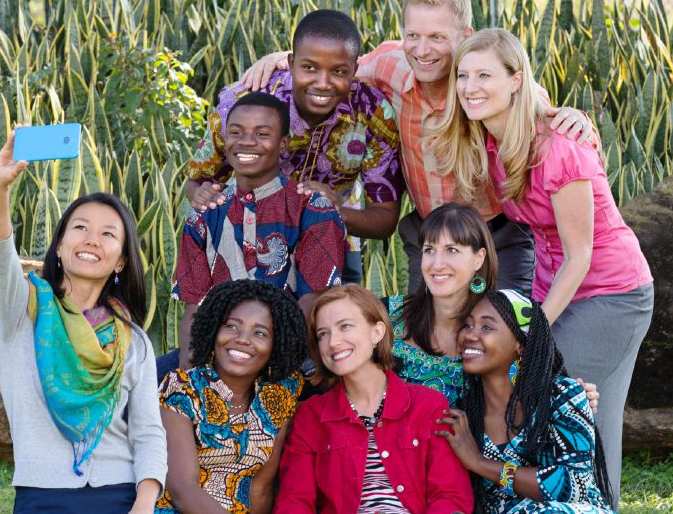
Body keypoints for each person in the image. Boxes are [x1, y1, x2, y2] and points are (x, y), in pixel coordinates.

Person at [241, 0, 594, 294]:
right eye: (413, 35)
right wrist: (278, 61)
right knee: (423, 347)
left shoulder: (482, 84)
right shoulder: (389, 65)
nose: (422, 50)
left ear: (465, 35)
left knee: (502, 338)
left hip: (496, 235)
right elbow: (335, 66)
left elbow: (535, 107)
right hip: (429, 234)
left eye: (438, 37)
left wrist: (573, 118)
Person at [431, 27, 653, 503]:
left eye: (484, 74)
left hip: (612, 293)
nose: (470, 86)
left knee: (556, 398)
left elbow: (581, 255)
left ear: (516, 81)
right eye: (463, 75)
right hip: (562, 288)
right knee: (595, 423)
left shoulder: (559, 149)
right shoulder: (493, 143)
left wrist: (533, 331)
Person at [0, 130, 165, 513]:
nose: (91, 239)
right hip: (42, 497)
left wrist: (145, 502)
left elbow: (148, 431)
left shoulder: (132, 340)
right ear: (60, 245)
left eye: (108, 233)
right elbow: (0, 254)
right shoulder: (23, 310)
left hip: (120, 493)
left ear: (120, 261)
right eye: (80, 227)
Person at [185, 9, 402, 285]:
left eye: (338, 71)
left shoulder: (373, 113)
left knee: (339, 320)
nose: (322, 83)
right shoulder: (244, 103)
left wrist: (329, 209)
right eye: (309, 67)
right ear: (290, 62)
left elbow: (384, 219)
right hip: (248, 241)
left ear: (354, 71)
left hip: (332, 239)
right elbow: (197, 181)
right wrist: (202, 195)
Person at [167, 92, 346, 374]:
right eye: (236, 132)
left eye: (262, 133)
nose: (247, 142)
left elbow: (312, 301)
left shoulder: (312, 209)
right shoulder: (205, 213)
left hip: (293, 358)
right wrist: (191, 375)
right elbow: (194, 309)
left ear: (283, 143)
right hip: (218, 353)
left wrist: (264, 362)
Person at [274, 285, 473, 514]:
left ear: (377, 332)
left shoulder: (428, 406)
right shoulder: (311, 417)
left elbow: (451, 497)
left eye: (345, 326)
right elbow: (294, 502)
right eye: (323, 334)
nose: (333, 342)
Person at [384, 202, 598, 414]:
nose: (437, 263)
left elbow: (534, 386)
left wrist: (573, 396)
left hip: (469, 448)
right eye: (429, 250)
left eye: (452, 250)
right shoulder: (387, 317)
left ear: (479, 258)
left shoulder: (506, 325)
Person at [438, 289, 614, 513]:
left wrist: (480, 463)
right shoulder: (463, 417)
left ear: (520, 343)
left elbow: (574, 484)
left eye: (486, 327)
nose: (470, 335)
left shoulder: (561, 396)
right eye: (468, 325)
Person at [156, 280, 308, 514]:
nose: (243, 339)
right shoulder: (182, 388)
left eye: (260, 333)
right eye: (232, 326)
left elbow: (261, 489)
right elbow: (182, 490)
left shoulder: (279, 395)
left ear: (275, 345)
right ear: (214, 330)